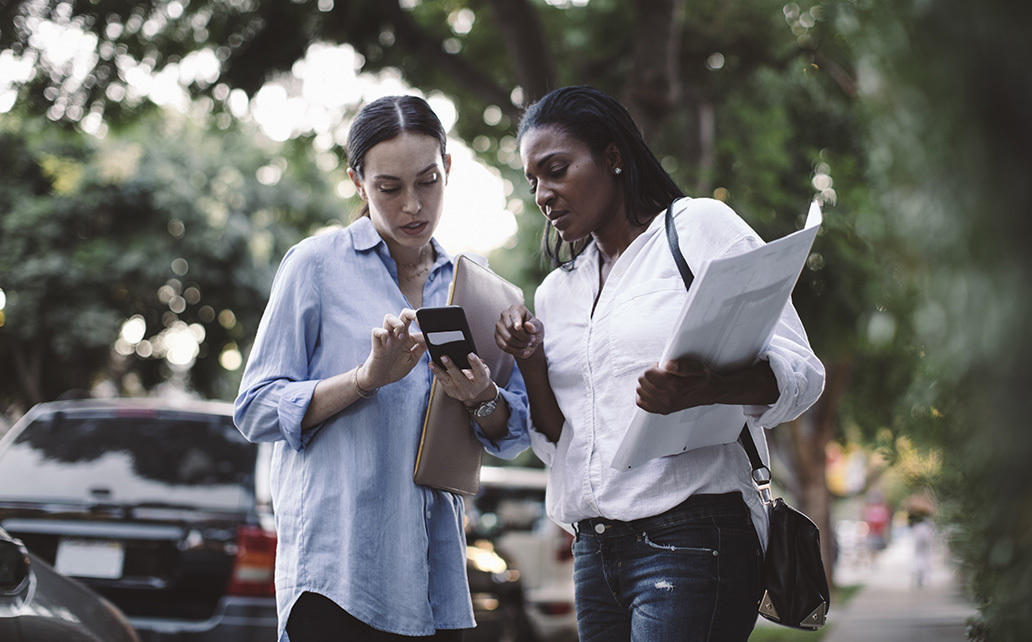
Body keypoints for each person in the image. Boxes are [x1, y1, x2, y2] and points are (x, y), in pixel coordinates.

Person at [495, 86, 826, 641]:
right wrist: (528, 360)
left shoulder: (696, 229)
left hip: (693, 534)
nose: (543, 195)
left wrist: (704, 388)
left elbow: (800, 372)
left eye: (556, 170)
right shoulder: (557, 292)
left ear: (613, 155)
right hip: (594, 552)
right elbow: (562, 442)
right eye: (533, 182)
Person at [234, 95, 531, 642]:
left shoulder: (475, 285)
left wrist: (480, 394)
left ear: (449, 170)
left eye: (428, 181)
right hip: (336, 576)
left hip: (434, 577)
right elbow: (254, 409)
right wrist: (364, 379)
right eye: (389, 188)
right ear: (357, 181)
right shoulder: (314, 266)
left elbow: (511, 432)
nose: (413, 205)